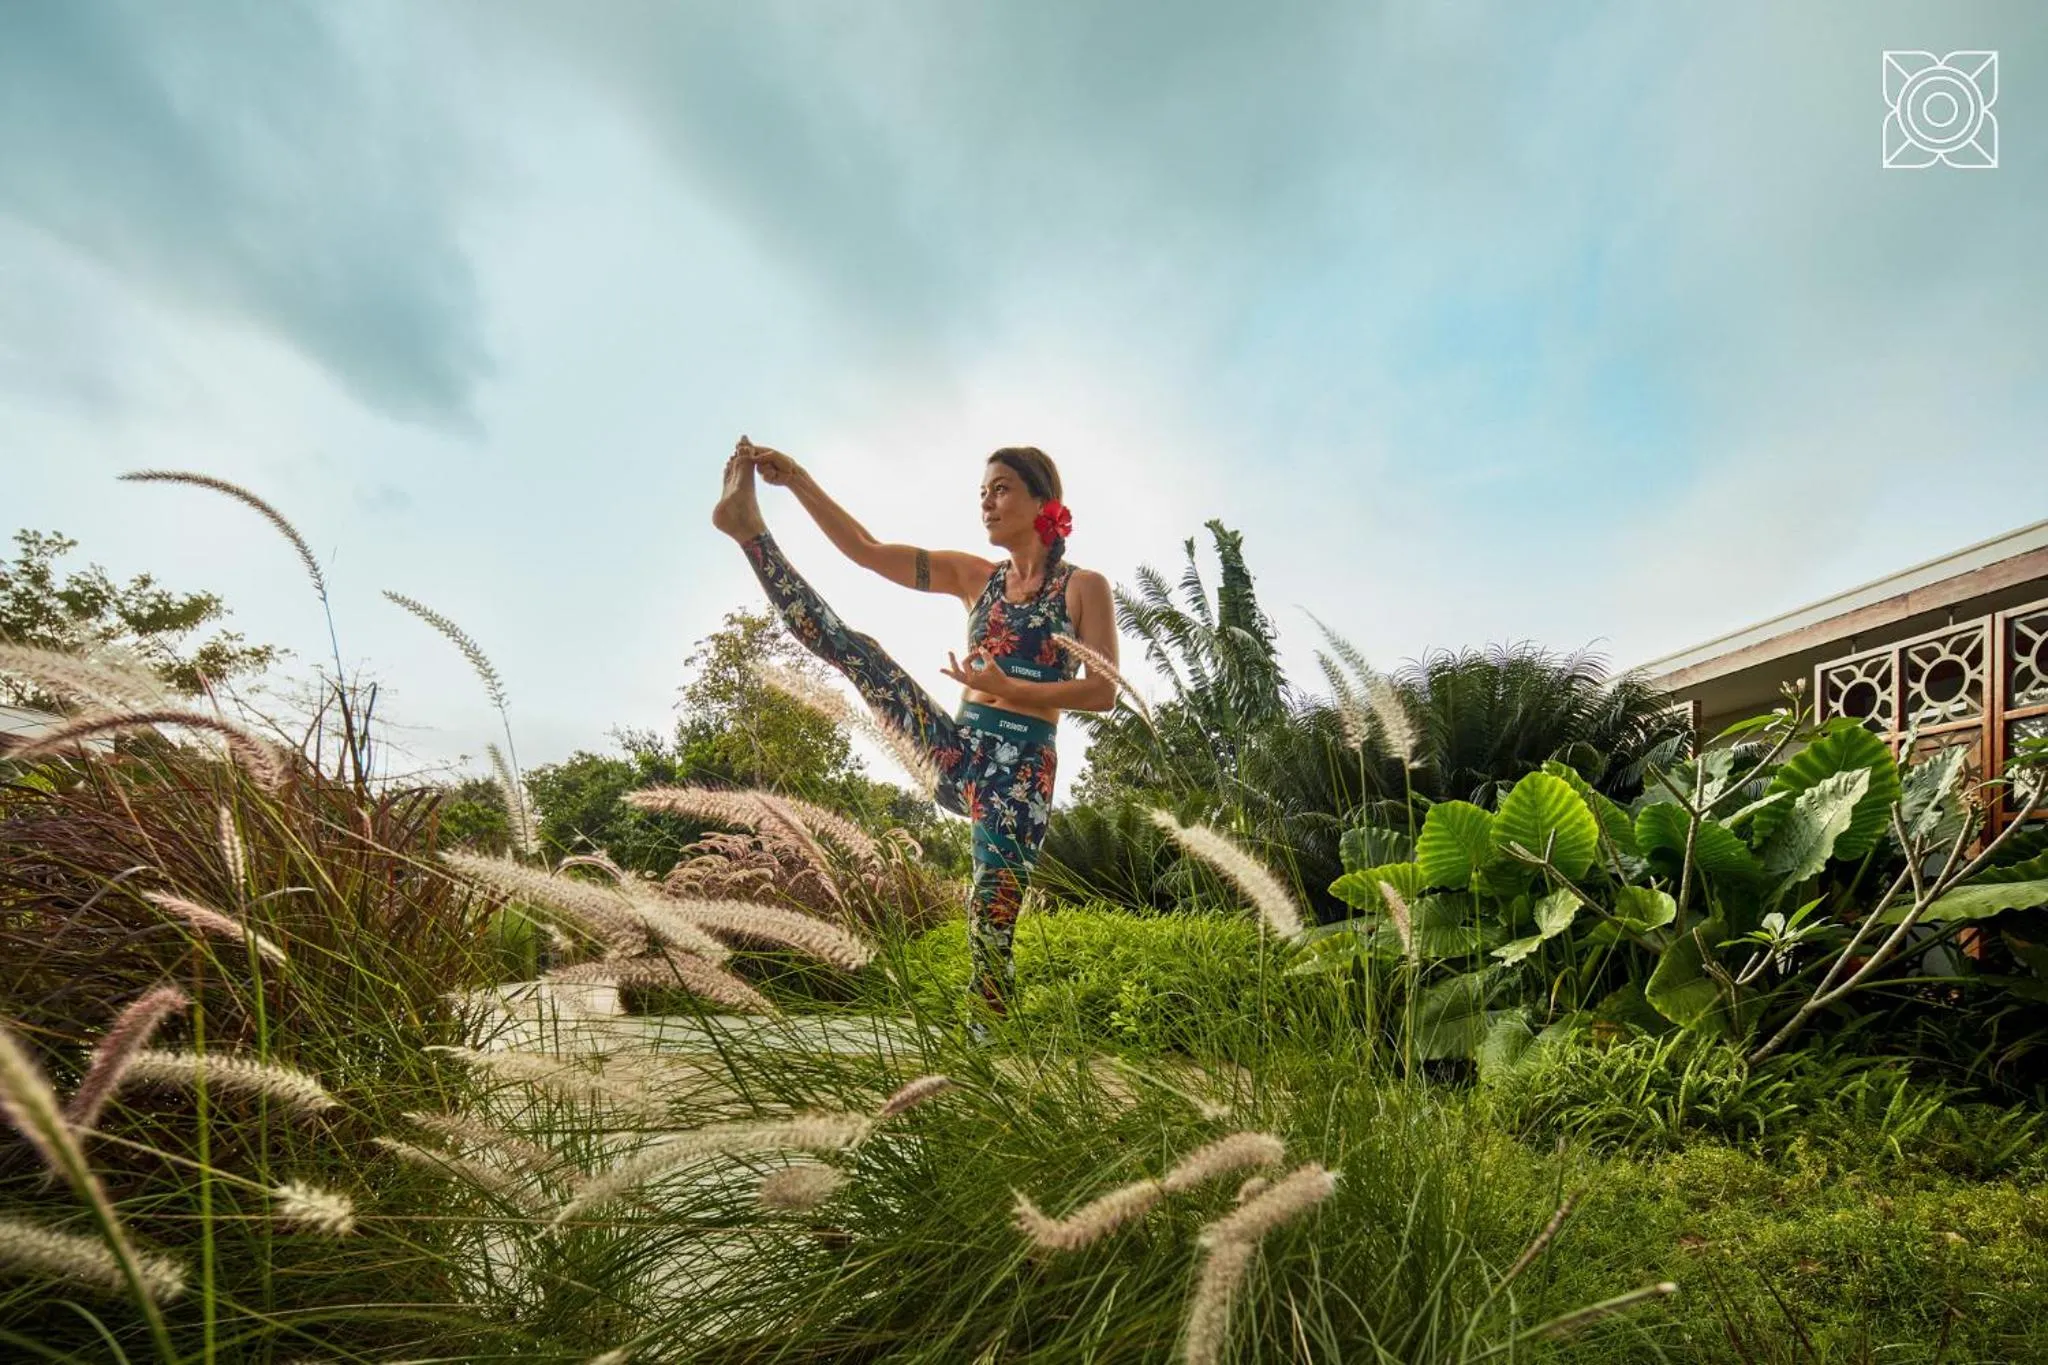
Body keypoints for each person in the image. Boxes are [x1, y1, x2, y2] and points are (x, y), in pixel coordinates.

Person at [712, 436, 1119, 1035]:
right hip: (957, 750)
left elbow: (1105, 690)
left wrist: (1016, 689)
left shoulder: (1084, 588)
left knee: (991, 920)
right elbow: (867, 551)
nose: (986, 502)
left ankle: (985, 1047)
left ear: (1044, 502)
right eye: (982, 492)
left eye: (1001, 489)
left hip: (1021, 771)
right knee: (862, 655)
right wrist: (796, 478)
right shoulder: (973, 577)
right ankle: (750, 534)